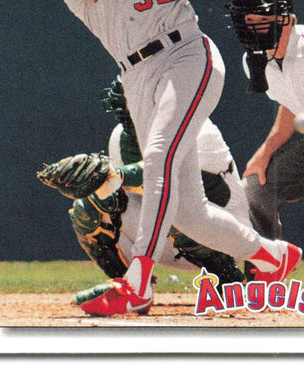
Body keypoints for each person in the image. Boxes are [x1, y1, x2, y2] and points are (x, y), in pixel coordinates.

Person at [47, 0, 301, 316]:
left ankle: (138, 283)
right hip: (135, 75)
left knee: (159, 156)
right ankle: (274, 256)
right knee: (188, 212)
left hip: (184, 55)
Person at [69, 75, 249, 309]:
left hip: (225, 237)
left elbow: (166, 176)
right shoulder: (118, 138)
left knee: (174, 201)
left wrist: (117, 175)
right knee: (89, 205)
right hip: (168, 241)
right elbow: (125, 195)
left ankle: (227, 280)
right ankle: (131, 287)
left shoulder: (195, 126)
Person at [227, 0, 304, 245]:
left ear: (287, 19)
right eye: (247, 21)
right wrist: (265, 152)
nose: (254, 28)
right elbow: (292, 103)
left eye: (261, 19)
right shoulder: (253, 62)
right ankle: (267, 271)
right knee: (257, 190)